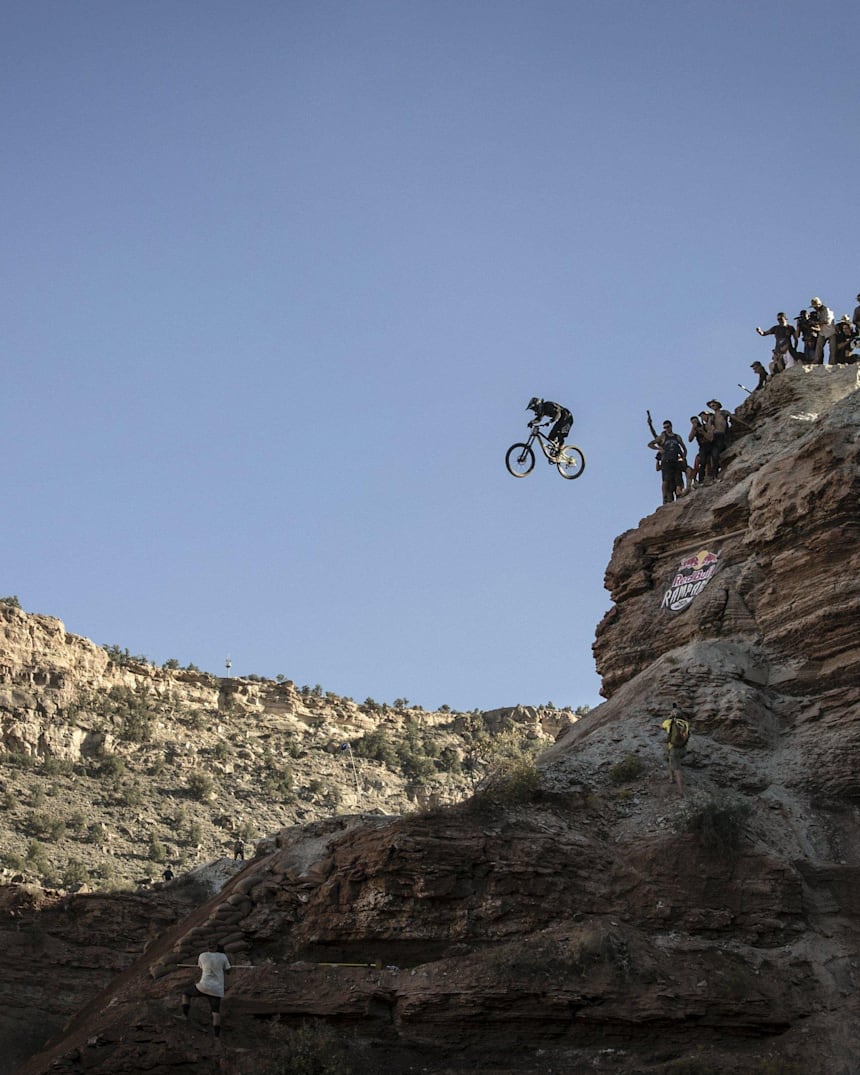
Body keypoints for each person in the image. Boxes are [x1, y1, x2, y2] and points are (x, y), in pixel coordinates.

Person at [182, 942, 231, 1037]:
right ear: (216, 947)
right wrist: (223, 968)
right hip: (217, 990)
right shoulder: (223, 956)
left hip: (203, 986)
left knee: (186, 994)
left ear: (207, 947)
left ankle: (185, 1016)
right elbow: (228, 971)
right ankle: (217, 1036)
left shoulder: (202, 955)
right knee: (215, 1012)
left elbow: (201, 967)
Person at [647, 420, 687, 504]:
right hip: (666, 461)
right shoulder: (663, 436)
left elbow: (684, 448)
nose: (666, 429)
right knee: (666, 480)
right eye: (664, 427)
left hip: (676, 461)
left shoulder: (677, 437)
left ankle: (680, 493)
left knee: (678, 479)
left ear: (671, 426)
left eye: (667, 427)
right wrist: (659, 449)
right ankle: (665, 497)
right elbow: (651, 443)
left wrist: (683, 457)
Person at [660, 706, 690, 795]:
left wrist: (670, 717)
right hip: (683, 748)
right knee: (670, 759)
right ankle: (671, 778)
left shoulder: (669, 722)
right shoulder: (685, 723)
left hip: (673, 748)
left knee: (677, 769)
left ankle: (681, 791)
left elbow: (662, 725)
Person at [705, 400, 730, 479]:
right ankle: (714, 474)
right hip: (715, 436)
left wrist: (746, 425)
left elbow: (734, 418)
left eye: (714, 404)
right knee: (714, 455)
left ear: (718, 404)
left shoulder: (724, 412)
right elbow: (709, 429)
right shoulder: (712, 417)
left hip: (722, 435)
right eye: (711, 406)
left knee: (717, 454)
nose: (713, 406)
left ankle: (715, 473)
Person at [688, 413, 712, 485]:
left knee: (709, 461)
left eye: (696, 421)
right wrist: (693, 428)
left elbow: (710, 436)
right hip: (702, 447)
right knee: (702, 462)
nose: (695, 423)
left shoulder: (704, 426)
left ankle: (709, 476)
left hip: (709, 445)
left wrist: (702, 431)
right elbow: (690, 439)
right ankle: (701, 479)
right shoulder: (694, 431)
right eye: (693, 422)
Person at [809, 297, 835, 364]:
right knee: (818, 346)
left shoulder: (827, 310)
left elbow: (827, 321)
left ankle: (831, 363)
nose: (814, 308)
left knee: (832, 349)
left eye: (815, 306)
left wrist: (816, 323)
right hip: (822, 331)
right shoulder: (818, 312)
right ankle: (816, 360)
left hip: (830, 331)